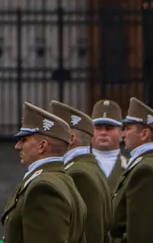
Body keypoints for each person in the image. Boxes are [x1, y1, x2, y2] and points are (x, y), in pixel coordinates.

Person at [1, 102, 85, 243]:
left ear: (42, 146)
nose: (17, 146)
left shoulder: (43, 188)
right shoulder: (64, 180)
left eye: (24, 140)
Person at [108, 98, 153, 243]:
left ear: (144, 134)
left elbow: (144, 234)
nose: (123, 135)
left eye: (128, 128)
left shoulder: (146, 171)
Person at [49, 100, 110, 243]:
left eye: (54, 134)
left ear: (71, 139)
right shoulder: (88, 166)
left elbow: (89, 232)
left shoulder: (78, 174)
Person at [90, 99, 128, 191]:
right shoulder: (78, 165)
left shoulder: (130, 165)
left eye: (109, 128)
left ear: (121, 133)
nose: (103, 132)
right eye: (98, 128)